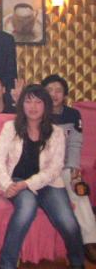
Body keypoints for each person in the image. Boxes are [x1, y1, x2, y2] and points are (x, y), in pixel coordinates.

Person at [0, 84, 84, 269]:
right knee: (26, 208)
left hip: (48, 183)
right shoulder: (10, 127)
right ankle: (6, 265)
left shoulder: (56, 132)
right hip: (16, 181)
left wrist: (28, 184)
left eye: (38, 102)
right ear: (22, 104)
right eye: (28, 101)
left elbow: (55, 168)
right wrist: (7, 185)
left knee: (68, 222)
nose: (33, 106)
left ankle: (77, 263)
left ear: (46, 105)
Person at [42, 74, 96, 262]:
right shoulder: (37, 113)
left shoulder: (73, 115)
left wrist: (73, 169)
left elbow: (75, 144)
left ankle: (90, 241)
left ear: (65, 95)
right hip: (43, 168)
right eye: (49, 90)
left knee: (78, 188)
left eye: (58, 90)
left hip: (65, 166)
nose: (54, 94)